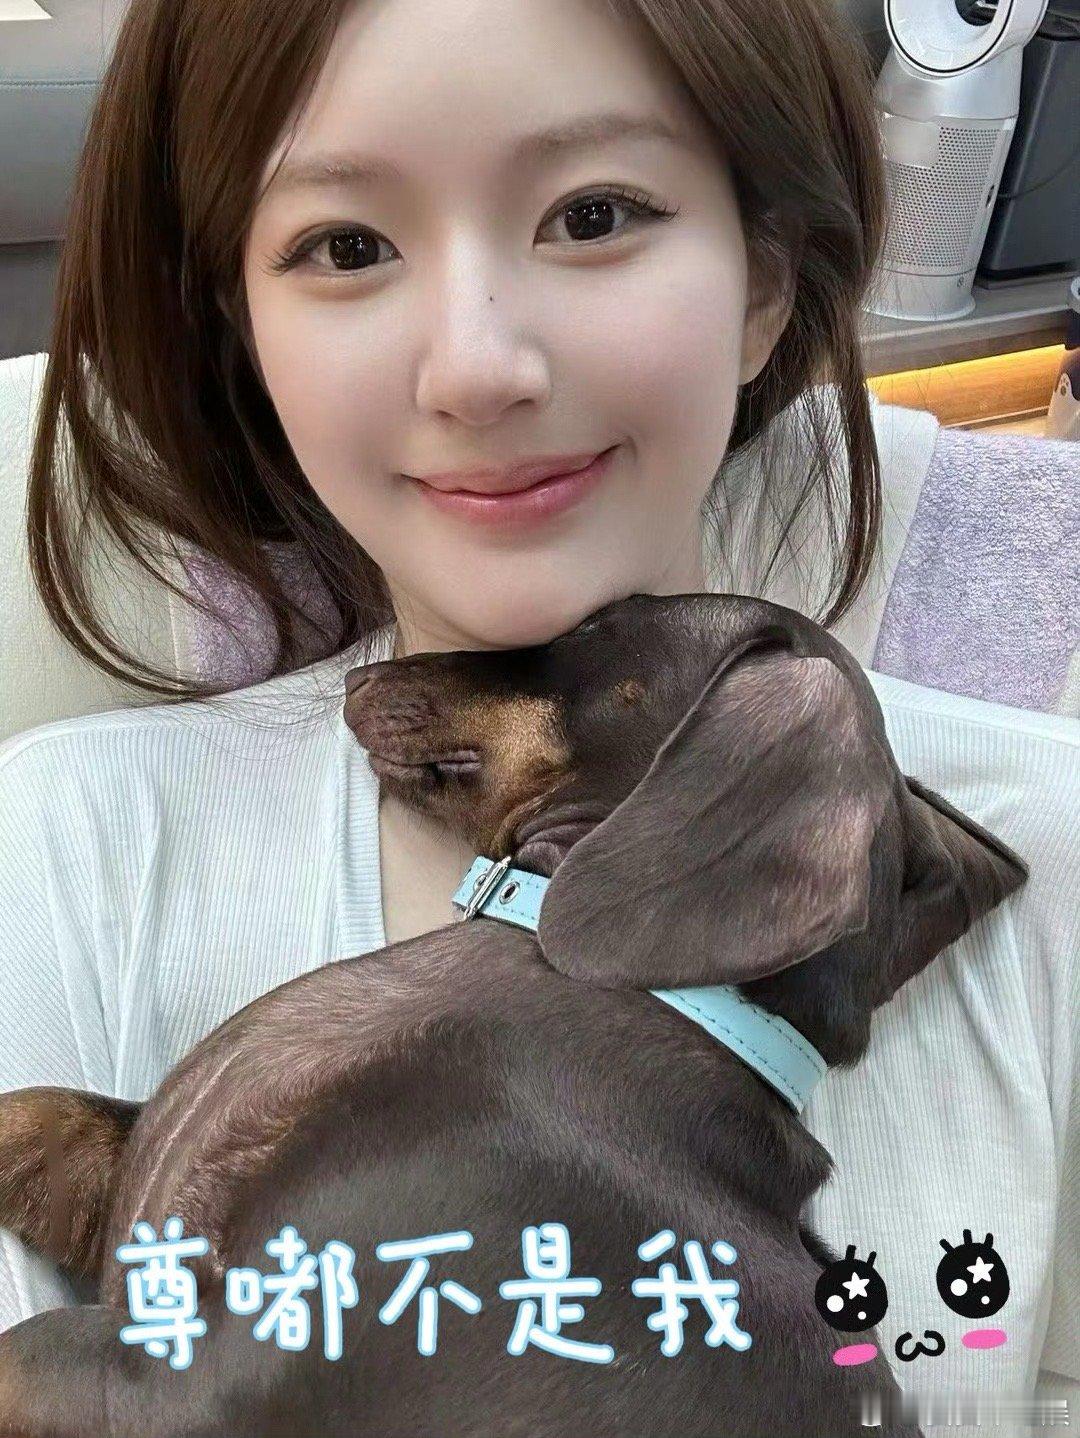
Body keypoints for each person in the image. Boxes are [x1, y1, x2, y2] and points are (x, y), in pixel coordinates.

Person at [0, 0, 1075, 1430]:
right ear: (239, 329)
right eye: (345, 246)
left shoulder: (1052, 863)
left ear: (765, 279)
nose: (477, 369)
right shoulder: (71, 849)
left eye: (594, 215)